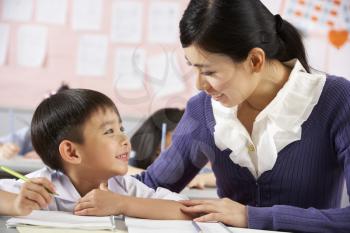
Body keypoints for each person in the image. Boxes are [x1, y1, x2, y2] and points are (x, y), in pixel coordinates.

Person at [135, 0, 350, 232]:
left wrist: (249, 216)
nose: (199, 84)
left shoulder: (336, 100)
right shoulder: (202, 110)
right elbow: (152, 185)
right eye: (193, 67)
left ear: (255, 60)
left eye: (210, 71)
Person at [0, 89, 192, 221]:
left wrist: (123, 204)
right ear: (72, 152)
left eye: (121, 128)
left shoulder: (124, 186)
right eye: (109, 132)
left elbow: (185, 210)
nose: (124, 138)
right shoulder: (41, 188)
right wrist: (16, 204)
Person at [128, 108, 216, 189]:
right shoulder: (131, 157)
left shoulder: (183, 162)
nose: (186, 141)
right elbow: (122, 171)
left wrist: (200, 178)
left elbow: (220, 176)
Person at [0, 83, 70, 160]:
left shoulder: (73, 134)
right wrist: (4, 149)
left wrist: (45, 157)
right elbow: (3, 144)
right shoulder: (29, 133)